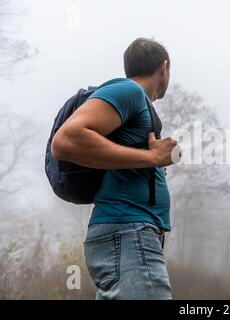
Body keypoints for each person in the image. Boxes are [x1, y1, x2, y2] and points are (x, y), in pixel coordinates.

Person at [51, 38, 177, 299]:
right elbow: (66, 141)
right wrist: (151, 159)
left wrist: (151, 165)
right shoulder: (128, 91)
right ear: (164, 68)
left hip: (128, 236)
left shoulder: (139, 105)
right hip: (129, 234)